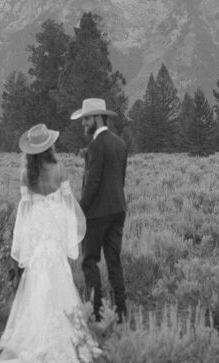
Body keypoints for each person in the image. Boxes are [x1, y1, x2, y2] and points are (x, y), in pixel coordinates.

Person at [0, 124, 100, 363]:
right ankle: (62, 331)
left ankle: (36, 331)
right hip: (53, 228)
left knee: (36, 278)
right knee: (59, 276)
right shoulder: (60, 170)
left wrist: (23, 242)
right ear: (49, 146)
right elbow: (67, 205)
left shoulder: (25, 175)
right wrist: (68, 236)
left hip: (38, 230)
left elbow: (24, 212)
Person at [72, 97, 128, 322]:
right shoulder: (120, 143)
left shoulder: (96, 146)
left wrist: (79, 210)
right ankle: (121, 312)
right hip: (118, 209)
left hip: (97, 214)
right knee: (114, 260)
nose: (83, 124)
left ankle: (97, 311)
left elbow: (93, 183)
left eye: (86, 120)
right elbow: (120, 179)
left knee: (89, 260)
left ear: (96, 118)